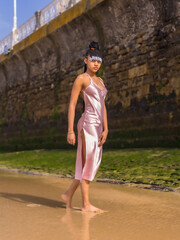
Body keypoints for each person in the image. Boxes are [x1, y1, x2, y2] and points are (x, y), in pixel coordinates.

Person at [61, 41, 108, 213]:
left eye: (99, 61)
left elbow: (103, 106)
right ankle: (86, 204)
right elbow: (72, 105)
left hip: (97, 128)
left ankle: (67, 195)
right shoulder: (82, 79)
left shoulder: (101, 81)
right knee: (88, 162)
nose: (96, 63)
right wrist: (70, 130)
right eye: (93, 60)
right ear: (85, 60)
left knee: (90, 162)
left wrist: (106, 128)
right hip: (87, 125)